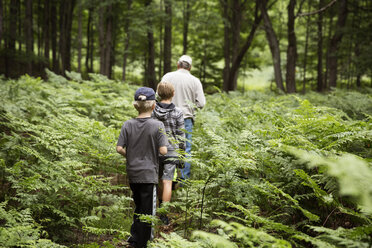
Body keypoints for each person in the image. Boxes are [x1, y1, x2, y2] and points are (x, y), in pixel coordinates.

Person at [116, 87, 168, 248]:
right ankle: (143, 243)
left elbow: (119, 148)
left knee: (138, 205)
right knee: (148, 211)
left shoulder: (127, 124)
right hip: (148, 174)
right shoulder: (158, 125)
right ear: (154, 106)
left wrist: (130, 155)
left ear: (135, 106)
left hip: (133, 173)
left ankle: (135, 238)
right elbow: (163, 150)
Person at [161, 55, 206, 180]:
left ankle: (167, 177)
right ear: (190, 67)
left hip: (165, 116)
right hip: (186, 118)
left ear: (178, 64)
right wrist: (191, 108)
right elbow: (201, 103)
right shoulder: (195, 81)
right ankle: (183, 181)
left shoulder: (167, 76)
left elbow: (157, 95)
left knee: (166, 146)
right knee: (185, 149)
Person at [152, 82, 185, 225]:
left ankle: (158, 205)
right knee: (167, 181)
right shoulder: (178, 112)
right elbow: (181, 136)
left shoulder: (152, 110)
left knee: (158, 181)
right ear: (173, 94)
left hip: (155, 150)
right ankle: (164, 215)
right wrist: (182, 153)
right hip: (172, 151)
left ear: (158, 94)